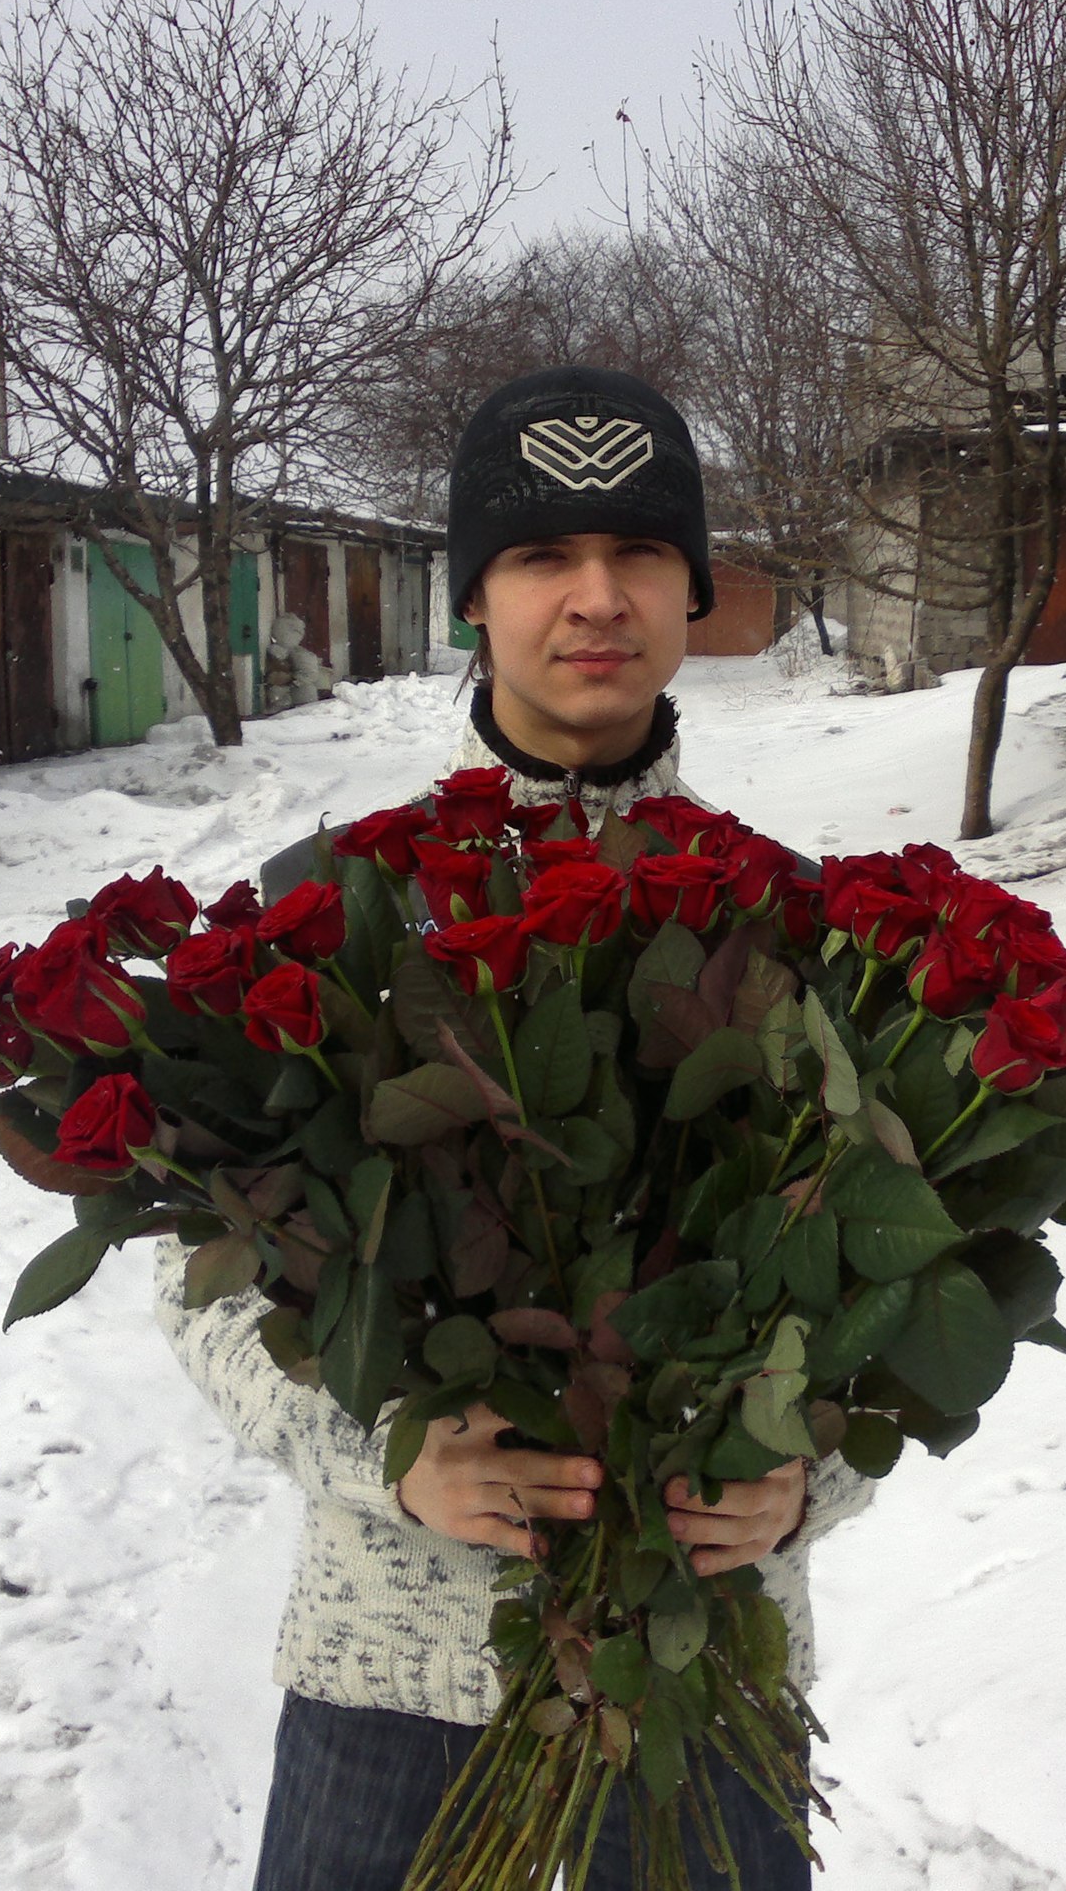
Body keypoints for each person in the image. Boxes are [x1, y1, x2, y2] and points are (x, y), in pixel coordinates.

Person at [155, 366, 876, 1891]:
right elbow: (201, 1276)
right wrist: (389, 1453)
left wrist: (806, 1476)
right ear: (474, 596)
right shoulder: (329, 908)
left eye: (640, 553)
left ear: (694, 591)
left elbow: (884, 1281)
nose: (597, 599)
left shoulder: (802, 921)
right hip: (398, 1672)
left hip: (701, 1664)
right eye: (544, 554)